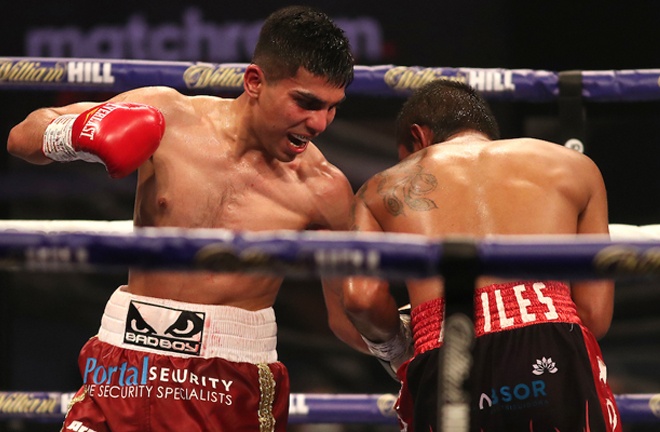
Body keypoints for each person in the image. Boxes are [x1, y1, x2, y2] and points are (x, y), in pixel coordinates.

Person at [7, 5, 363, 431]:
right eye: (306, 102)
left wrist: (414, 351)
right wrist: (77, 135)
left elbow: (349, 313)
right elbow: (22, 137)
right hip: (125, 362)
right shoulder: (168, 117)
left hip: (230, 380)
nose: (320, 122)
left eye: (332, 107)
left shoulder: (324, 189)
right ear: (255, 81)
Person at [333, 79, 621, 431]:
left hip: (449, 351)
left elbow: (361, 299)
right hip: (554, 347)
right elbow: (594, 315)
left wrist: (396, 350)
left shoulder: (377, 190)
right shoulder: (576, 167)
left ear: (418, 137)